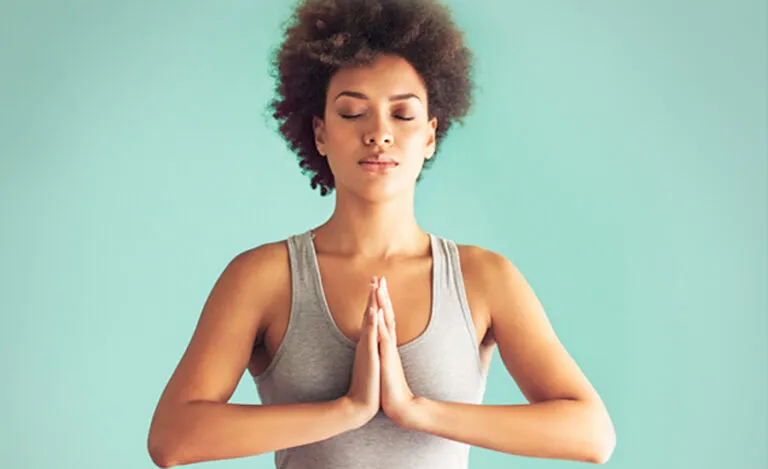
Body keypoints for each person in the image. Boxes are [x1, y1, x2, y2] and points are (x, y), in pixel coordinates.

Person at [147, 0, 616, 467]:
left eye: (403, 115)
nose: (379, 134)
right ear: (320, 134)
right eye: (352, 113)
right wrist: (346, 410)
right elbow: (173, 439)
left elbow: (592, 435)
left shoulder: (484, 278)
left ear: (430, 136)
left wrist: (415, 410)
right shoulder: (264, 277)